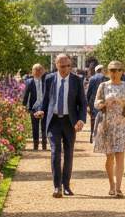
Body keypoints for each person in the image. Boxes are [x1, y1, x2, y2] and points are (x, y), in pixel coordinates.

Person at [33, 54, 86, 198]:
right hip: (54, 121)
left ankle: (66, 186)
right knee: (55, 152)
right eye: (63, 66)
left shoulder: (76, 80)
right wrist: (41, 110)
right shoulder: (49, 79)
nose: (66, 69)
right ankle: (57, 187)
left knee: (68, 154)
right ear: (56, 65)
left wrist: (81, 120)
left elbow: (82, 102)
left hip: (70, 122)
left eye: (69, 66)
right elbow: (45, 99)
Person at [93, 60, 125, 197]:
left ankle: (118, 187)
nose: (114, 73)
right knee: (110, 157)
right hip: (107, 124)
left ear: (122, 71)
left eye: (117, 70)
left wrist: (123, 103)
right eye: (111, 70)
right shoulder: (103, 86)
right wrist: (104, 103)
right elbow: (96, 103)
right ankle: (111, 184)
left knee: (120, 156)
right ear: (107, 72)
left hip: (121, 124)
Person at [22, 64, 47, 151]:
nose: (38, 71)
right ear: (32, 72)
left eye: (39, 69)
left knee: (44, 127)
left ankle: (44, 145)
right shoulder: (29, 82)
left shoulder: (46, 81)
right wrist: (23, 106)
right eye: (36, 70)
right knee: (35, 127)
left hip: (44, 108)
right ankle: (35, 145)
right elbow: (26, 95)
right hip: (34, 108)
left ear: (42, 71)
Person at [85, 65, 106, 143]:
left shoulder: (92, 78)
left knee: (93, 119)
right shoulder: (106, 78)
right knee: (104, 119)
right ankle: (102, 138)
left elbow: (89, 92)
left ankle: (92, 136)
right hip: (104, 101)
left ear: (96, 70)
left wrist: (87, 103)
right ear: (102, 70)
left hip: (94, 101)